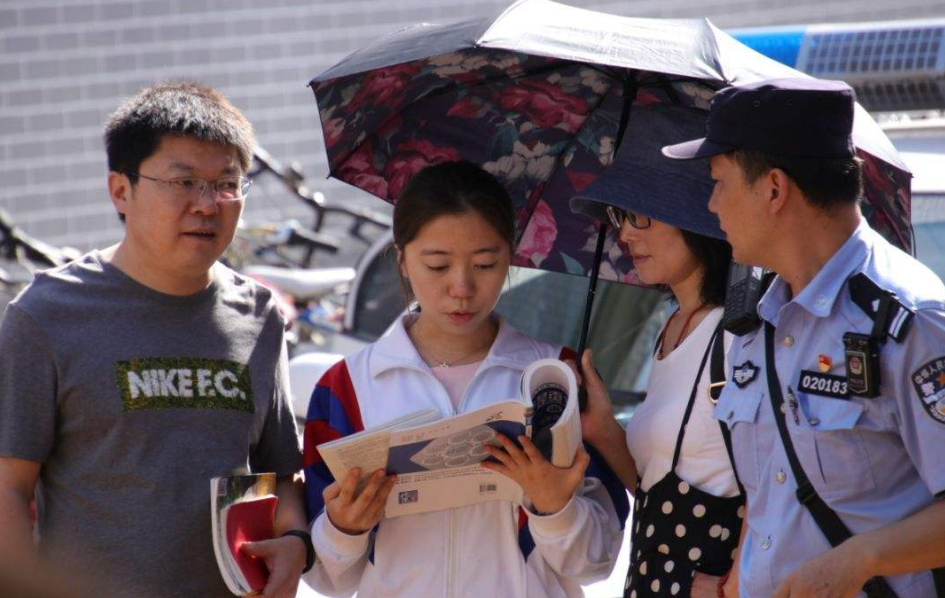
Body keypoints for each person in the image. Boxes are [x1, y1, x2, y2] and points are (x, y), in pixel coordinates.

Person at [0, 82, 310, 598]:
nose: (208, 204)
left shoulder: (259, 315)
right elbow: (9, 487)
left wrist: (296, 541)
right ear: (121, 190)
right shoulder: (46, 315)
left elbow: (280, 474)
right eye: (183, 181)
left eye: (227, 183)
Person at [663, 77, 945, 598]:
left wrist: (860, 560)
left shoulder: (909, 319)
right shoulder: (754, 321)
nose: (711, 205)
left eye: (719, 181)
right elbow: (776, 495)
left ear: (773, 188)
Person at [301, 160, 628, 598]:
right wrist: (344, 528)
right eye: (437, 266)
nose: (462, 287)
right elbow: (323, 578)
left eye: (486, 263)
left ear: (510, 257)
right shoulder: (345, 387)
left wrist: (555, 506)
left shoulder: (555, 379)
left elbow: (597, 563)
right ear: (401, 260)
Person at [570, 105, 743, 598]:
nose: (624, 233)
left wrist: (734, 588)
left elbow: (775, 483)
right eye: (619, 216)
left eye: (638, 213)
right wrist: (603, 429)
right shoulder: (670, 329)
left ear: (692, 212)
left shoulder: (740, 334)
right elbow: (657, 488)